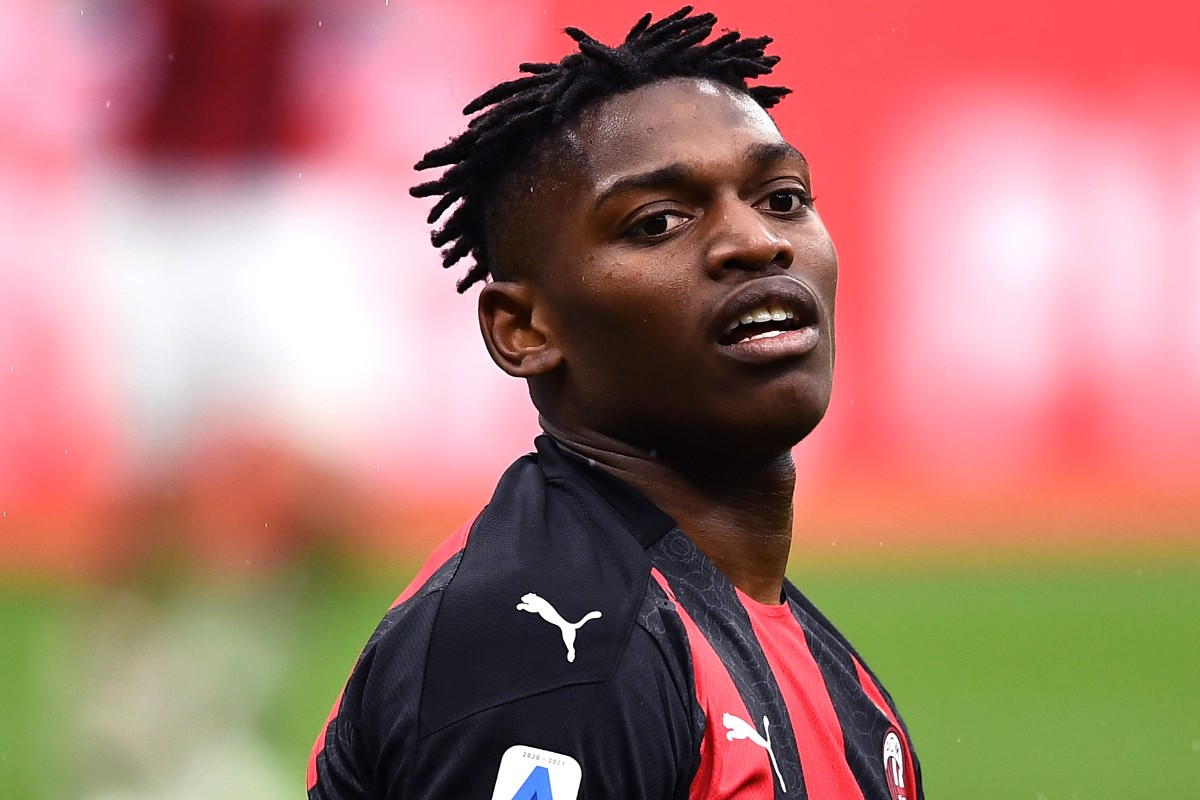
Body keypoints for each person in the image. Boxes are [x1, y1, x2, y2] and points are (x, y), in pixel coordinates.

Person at [307, 8, 923, 799]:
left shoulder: (813, 662)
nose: (757, 242)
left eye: (782, 198)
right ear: (525, 330)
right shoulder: (554, 655)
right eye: (658, 221)